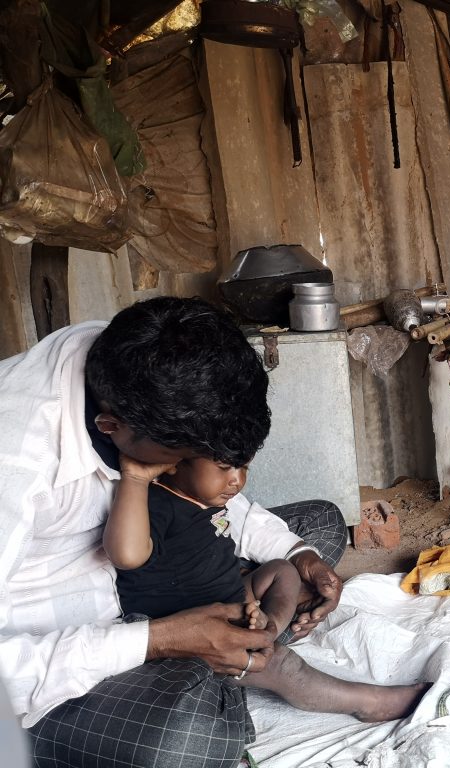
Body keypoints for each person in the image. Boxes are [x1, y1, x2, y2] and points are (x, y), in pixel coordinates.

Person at [0, 297, 348, 768]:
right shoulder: (15, 462)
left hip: (164, 573)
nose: (226, 474)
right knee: (185, 743)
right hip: (64, 645)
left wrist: (297, 552)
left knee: (321, 528)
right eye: (182, 459)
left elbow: (208, 496)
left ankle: (235, 651)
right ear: (112, 429)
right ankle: (218, 670)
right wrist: (160, 639)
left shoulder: (142, 361)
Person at [105, 453, 427, 721]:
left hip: (230, 600)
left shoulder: (208, 495)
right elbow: (126, 554)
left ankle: (267, 632)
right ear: (173, 461)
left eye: (243, 467)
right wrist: (135, 479)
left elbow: (245, 536)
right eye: (224, 468)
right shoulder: (153, 505)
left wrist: (301, 563)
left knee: (283, 570)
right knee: (284, 666)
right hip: (192, 632)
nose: (237, 480)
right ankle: (367, 703)